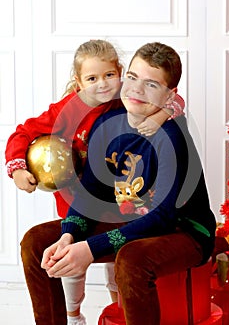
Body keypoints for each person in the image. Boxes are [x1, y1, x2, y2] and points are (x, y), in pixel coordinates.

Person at [5, 40, 185, 325]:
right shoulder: (67, 110)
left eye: (109, 75)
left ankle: (118, 312)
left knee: (121, 263)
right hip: (82, 203)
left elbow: (173, 98)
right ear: (78, 83)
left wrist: (161, 116)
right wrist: (17, 167)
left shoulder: (130, 93)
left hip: (127, 203)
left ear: (120, 72)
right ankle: (73, 315)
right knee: (66, 258)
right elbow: (24, 132)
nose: (103, 84)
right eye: (92, 79)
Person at [39, 42, 216, 325]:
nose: (136, 90)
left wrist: (90, 248)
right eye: (132, 78)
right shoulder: (108, 122)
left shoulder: (173, 137)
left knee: (131, 259)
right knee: (38, 242)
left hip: (183, 230)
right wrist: (69, 234)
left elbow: (162, 218)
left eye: (151, 84)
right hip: (130, 218)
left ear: (170, 95)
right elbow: (92, 191)